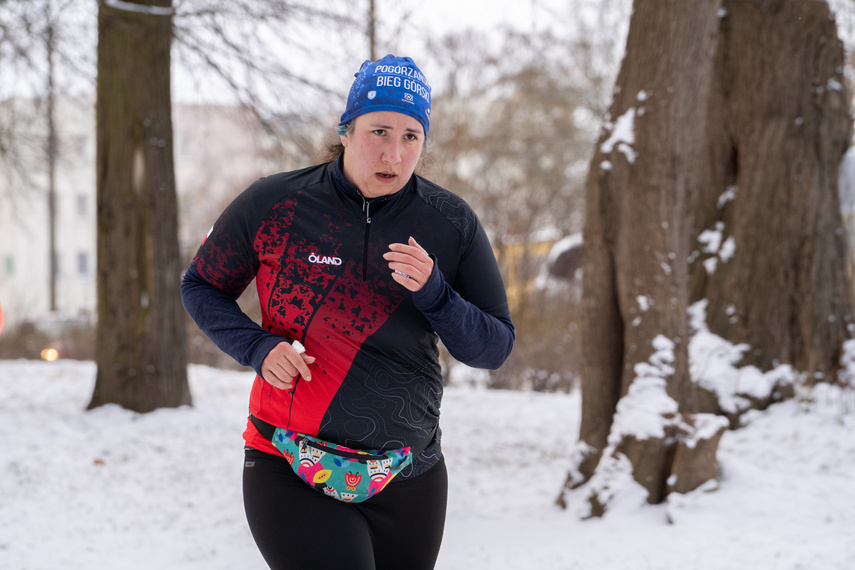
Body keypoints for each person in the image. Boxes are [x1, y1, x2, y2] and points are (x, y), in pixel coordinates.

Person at [181, 54, 514, 570]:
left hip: (409, 477)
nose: (393, 152)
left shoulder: (449, 223)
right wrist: (256, 346)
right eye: (378, 130)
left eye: (410, 137)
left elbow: (493, 348)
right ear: (345, 129)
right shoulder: (278, 204)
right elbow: (201, 284)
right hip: (289, 461)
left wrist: (437, 294)